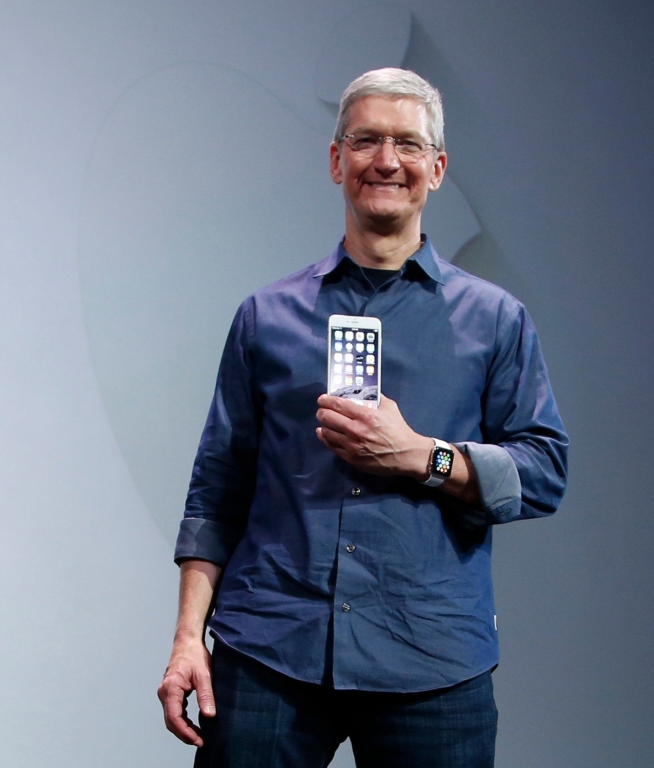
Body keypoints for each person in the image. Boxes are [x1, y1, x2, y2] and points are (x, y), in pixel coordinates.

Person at [157, 67, 568, 768]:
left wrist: (424, 457)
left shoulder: (496, 320)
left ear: (436, 170)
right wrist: (188, 639)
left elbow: (545, 471)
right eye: (366, 140)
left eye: (407, 145)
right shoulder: (267, 316)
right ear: (336, 159)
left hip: (432, 659)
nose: (386, 161)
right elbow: (218, 489)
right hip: (269, 653)